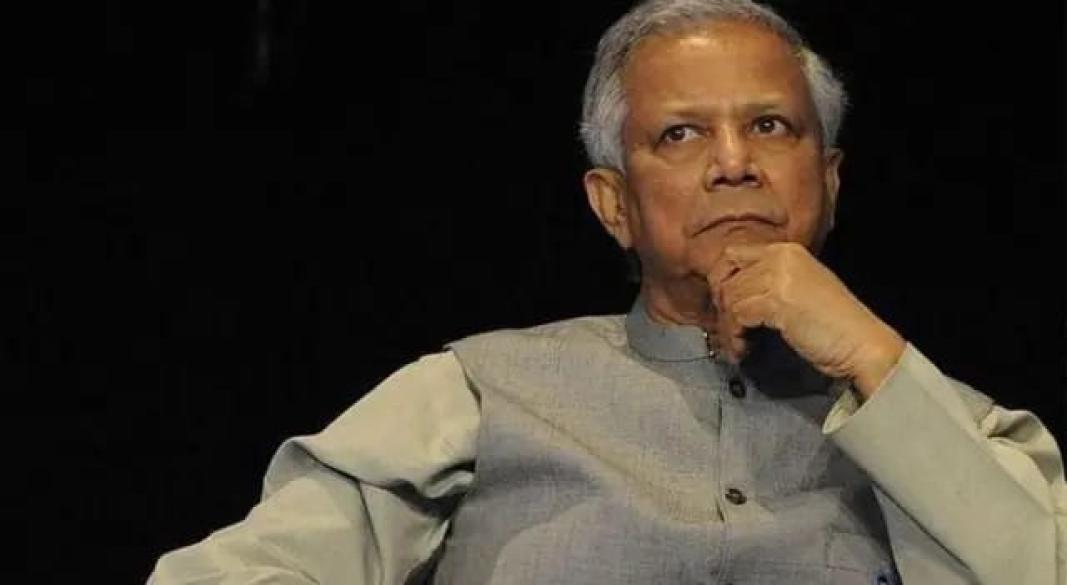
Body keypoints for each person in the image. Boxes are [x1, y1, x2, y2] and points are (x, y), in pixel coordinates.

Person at [149, 0, 1066, 583]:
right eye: (680, 135)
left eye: (770, 126)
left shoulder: (965, 430)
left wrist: (870, 354)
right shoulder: (475, 394)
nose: (734, 164)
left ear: (827, 181)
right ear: (613, 204)